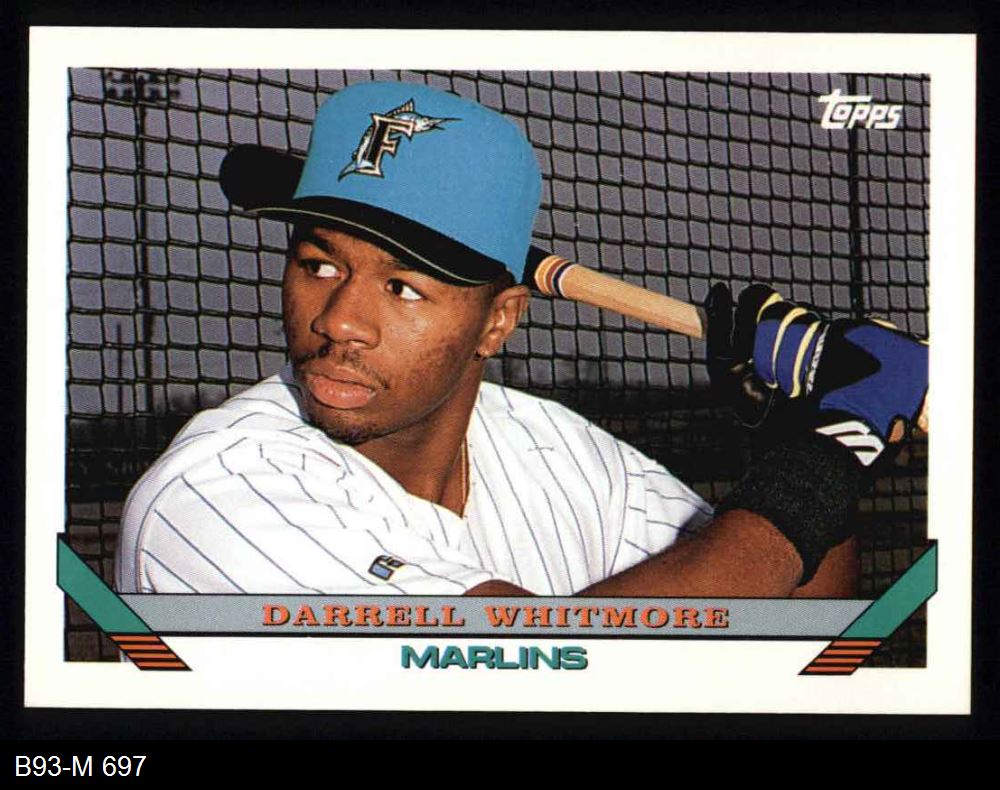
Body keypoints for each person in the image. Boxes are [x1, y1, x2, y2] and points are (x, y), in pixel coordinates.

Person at [114, 81, 928, 598]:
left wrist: (795, 437)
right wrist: (829, 454)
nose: (338, 321)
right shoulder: (216, 493)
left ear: (498, 320)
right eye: (319, 264)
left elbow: (792, 610)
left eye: (403, 286)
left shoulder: (560, 452)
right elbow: (544, 669)